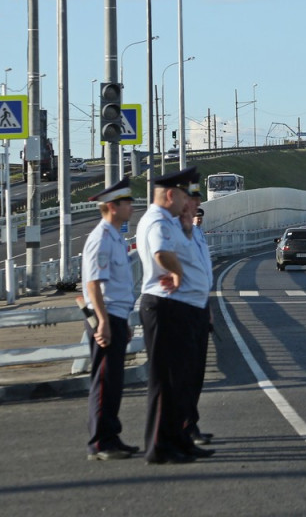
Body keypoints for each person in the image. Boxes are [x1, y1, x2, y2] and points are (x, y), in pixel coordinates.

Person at [136, 166, 214, 465]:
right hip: (166, 304)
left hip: (184, 307)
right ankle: (159, 447)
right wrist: (178, 272)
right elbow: (160, 253)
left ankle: (178, 440)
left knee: (179, 382)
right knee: (165, 383)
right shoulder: (158, 221)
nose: (187, 202)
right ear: (171, 194)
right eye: (184, 195)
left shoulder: (174, 223)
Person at [80, 175, 138, 461]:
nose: (132, 206)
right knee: (104, 381)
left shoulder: (116, 237)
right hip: (105, 318)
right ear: (113, 207)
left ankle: (111, 436)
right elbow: (93, 284)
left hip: (116, 316)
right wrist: (103, 321)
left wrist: (122, 320)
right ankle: (99, 443)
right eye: (127, 202)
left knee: (114, 381)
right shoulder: (101, 238)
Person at [183, 188, 214, 447]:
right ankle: (183, 428)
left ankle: (190, 425)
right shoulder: (178, 232)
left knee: (195, 373)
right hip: (184, 309)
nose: (198, 209)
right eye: (195, 202)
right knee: (185, 373)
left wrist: (208, 307)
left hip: (199, 306)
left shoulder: (198, 234)